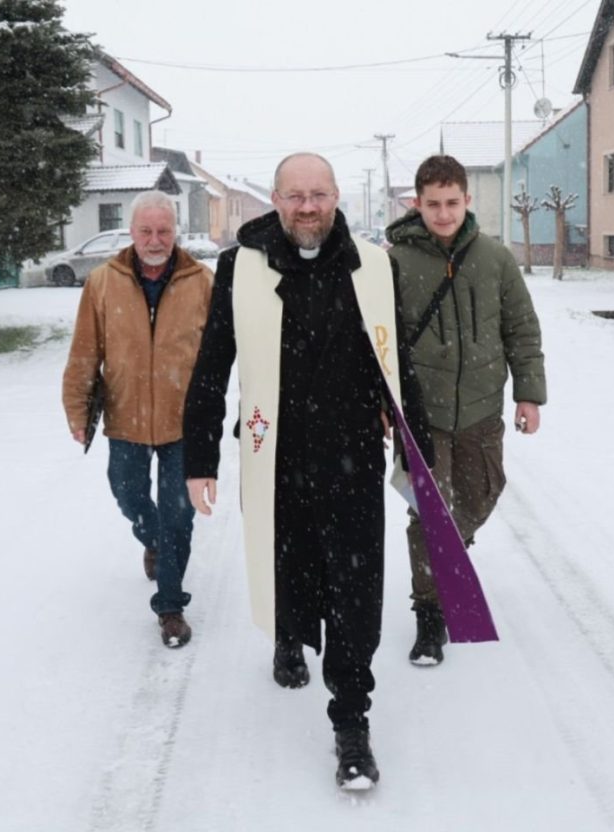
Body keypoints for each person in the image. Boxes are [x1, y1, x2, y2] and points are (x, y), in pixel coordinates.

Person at [183, 152, 433, 791]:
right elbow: (213, 366)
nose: (307, 207)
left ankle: (351, 721)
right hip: (278, 460)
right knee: (290, 573)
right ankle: (289, 637)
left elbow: (397, 365)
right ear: (275, 198)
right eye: (294, 195)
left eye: (318, 194)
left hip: (352, 459)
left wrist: (418, 455)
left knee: (355, 595)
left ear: (337, 196)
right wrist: (199, 458)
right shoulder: (242, 267)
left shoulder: (373, 266)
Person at [386, 154, 546, 667]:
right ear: (417, 204)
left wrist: (529, 393)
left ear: (466, 201)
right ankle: (429, 615)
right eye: (432, 204)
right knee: (427, 514)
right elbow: (376, 342)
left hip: (481, 409)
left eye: (452, 202)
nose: (443, 213)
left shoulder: (495, 259)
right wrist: (381, 406)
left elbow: (521, 328)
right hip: (420, 416)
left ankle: (450, 550)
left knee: (480, 495)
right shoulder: (394, 262)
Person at [61, 190, 213, 649]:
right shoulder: (104, 282)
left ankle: (170, 607)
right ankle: (154, 541)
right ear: (131, 233)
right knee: (128, 496)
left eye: (163, 231)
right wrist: (76, 408)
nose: (155, 240)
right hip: (125, 418)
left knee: (179, 515)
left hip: (182, 422)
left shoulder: (202, 282)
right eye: (146, 231)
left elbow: (220, 356)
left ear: (176, 233)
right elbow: (85, 351)